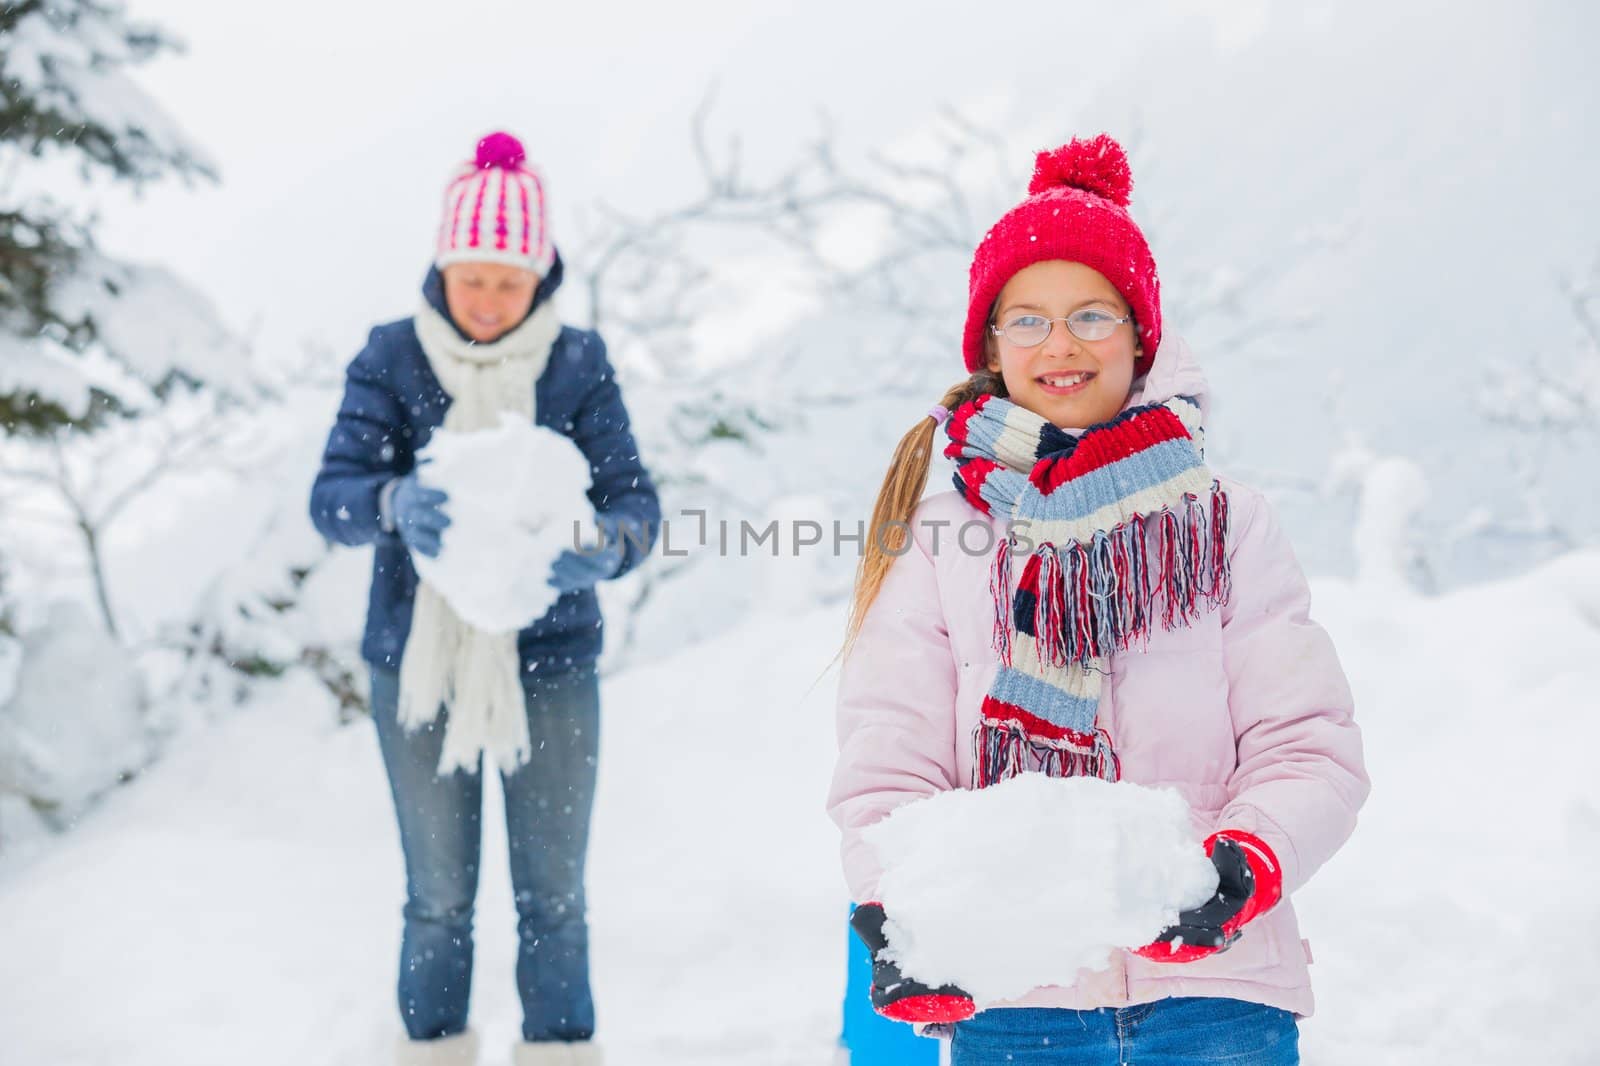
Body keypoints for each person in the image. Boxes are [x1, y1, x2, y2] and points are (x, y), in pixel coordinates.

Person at [826, 134, 1369, 1065]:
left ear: (1139, 333)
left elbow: (1307, 745)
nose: (1061, 345)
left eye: (1091, 314)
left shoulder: (1225, 520)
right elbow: (891, 761)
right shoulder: (938, 532)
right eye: (1026, 320)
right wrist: (899, 904)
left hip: (1216, 999)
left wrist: (1238, 866)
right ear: (992, 344)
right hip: (1015, 996)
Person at [310, 131, 659, 1066]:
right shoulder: (392, 357)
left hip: (550, 665)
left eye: (510, 282)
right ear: (442, 264)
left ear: (541, 274)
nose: (490, 302)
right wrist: (387, 501)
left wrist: (608, 545)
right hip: (418, 664)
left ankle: (557, 1050)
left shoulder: (576, 365)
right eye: (473, 279)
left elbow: (633, 500)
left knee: (554, 896)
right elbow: (331, 497)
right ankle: (432, 1051)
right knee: (437, 897)